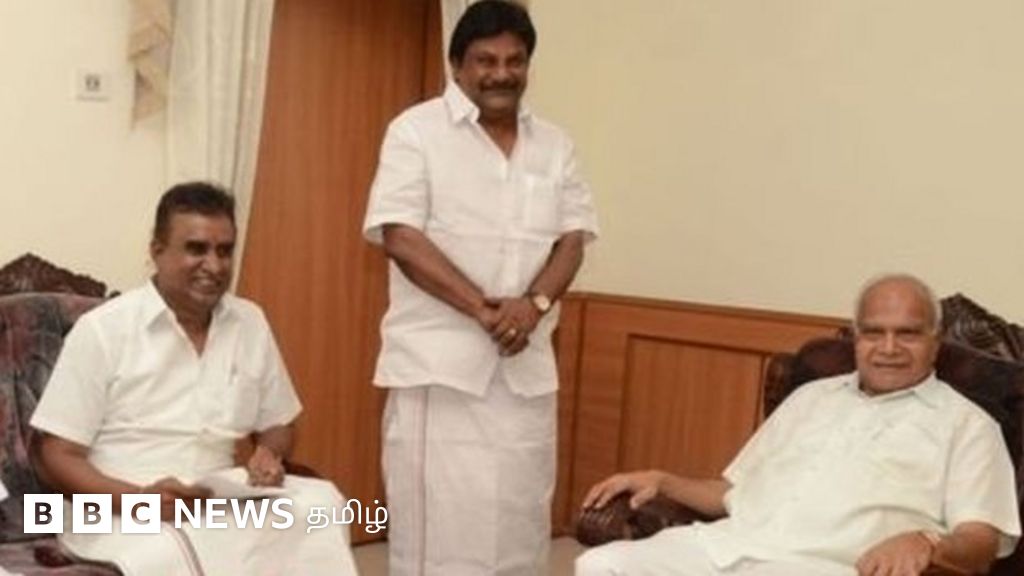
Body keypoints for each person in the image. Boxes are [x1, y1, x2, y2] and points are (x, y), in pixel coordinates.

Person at [362, 1, 598, 573]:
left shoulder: (555, 145)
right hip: (440, 374)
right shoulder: (416, 132)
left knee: (519, 527)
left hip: (524, 375)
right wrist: (483, 310)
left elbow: (573, 239)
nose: (501, 73)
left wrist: (534, 306)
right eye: (485, 61)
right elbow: (400, 236)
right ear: (456, 65)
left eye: (514, 61)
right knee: (440, 535)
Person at [576, 274, 1021, 576]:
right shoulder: (811, 397)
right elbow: (733, 493)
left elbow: (980, 542)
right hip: (727, 548)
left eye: (907, 333)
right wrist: (664, 480)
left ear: (934, 342)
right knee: (600, 565)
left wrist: (927, 541)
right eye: (873, 332)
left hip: (825, 566)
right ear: (856, 338)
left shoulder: (968, 426)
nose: (888, 348)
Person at [31, 182, 359, 576]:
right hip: (119, 507)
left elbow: (279, 424)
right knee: (174, 549)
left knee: (322, 505)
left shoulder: (250, 322)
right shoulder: (103, 330)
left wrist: (269, 454)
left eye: (224, 251)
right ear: (157, 251)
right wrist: (140, 500)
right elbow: (56, 455)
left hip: (216, 498)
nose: (215, 266)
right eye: (196, 249)